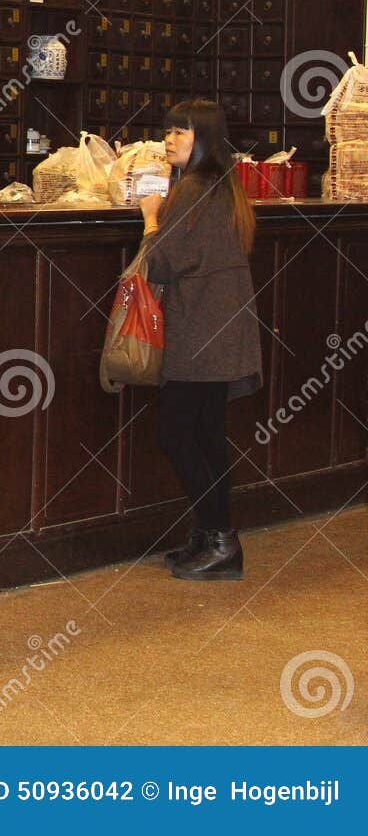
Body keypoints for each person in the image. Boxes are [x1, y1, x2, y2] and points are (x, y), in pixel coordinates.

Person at [139, 99, 262, 581]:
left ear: (204, 139)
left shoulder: (191, 187)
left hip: (200, 330)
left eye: (181, 133)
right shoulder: (224, 186)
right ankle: (212, 536)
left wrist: (150, 216)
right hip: (223, 325)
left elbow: (163, 261)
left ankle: (221, 539)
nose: (169, 140)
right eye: (168, 132)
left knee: (175, 434)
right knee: (208, 435)